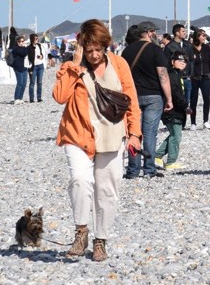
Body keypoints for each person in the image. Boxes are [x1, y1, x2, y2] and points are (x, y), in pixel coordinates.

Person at [53, 18, 142, 263]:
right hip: (77, 133)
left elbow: (131, 99)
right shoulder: (72, 66)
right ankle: (81, 231)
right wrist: (74, 65)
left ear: (106, 47)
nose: (93, 55)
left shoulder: (119, 64)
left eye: (98, 50)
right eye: (89, 49)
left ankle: (100, 239)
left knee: (108, 189)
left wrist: (135, 133)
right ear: (81, 46)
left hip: (112, 134)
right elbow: (59, 97)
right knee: (80, 179)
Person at [119, 22, 172, 179]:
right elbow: (163, 75)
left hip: (132, 96)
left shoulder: (126, 51)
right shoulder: (155, 50)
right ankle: (149, 169)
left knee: (134, 132)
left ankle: (133, 169)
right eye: (154, 32)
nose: (156, 34)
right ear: (149, 33)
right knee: (150, 133)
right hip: (153, 96)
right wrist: (169, 98)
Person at [158, 50, 188, 170]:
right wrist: (186, 106)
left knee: (173, 135)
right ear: (172, 62)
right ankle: (171, 162)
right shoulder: (172, 75)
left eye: (184, 61)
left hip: (176, 110)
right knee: (176, 135)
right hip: (172, 110)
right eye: (179, 60)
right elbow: (176, 94)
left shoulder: (177, 74)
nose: (182, 63)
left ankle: (157, 156)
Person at [188, 29, 210, 128]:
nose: (204, 37)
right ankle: (193, 122)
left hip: (205, 77)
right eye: (202, 36)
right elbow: (188, 64)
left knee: (206, 99)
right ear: (197, 37)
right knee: (193, 100)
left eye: (205, 36)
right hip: (194, 78)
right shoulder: (190, 49)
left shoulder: (207, 48)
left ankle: (206, 120)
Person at [10, 32, 33, 104]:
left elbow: (27, 52)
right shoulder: (16, 49)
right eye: (22, 41)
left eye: (24, 41)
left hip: (24, 67)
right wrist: (24, 47)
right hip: (18, 67)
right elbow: (23, 53)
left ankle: (20, 98)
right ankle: (16, 98)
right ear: (18, 42)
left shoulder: (23, 48)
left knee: (24, 83)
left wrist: (24, 47)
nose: (23, 42)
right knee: (19, 83)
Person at [29, 36, 47, 102]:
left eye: (37, 38)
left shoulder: (39, 46)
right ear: (32, 39)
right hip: (33, 67)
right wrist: (30, 69)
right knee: (32, 83)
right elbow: (28, 58)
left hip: (40, 66)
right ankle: (31, 98)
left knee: (39, 82)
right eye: (36, 39)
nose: (37, 40)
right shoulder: (29, 47)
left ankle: (39, 98)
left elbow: (42, 54)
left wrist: (41, 56)